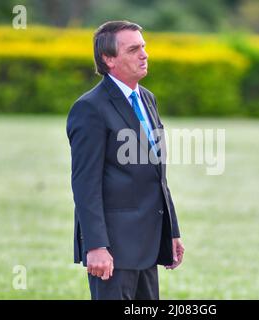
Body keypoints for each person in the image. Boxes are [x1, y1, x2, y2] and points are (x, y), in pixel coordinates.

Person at [66, 20, 184, 300]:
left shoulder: (147, 99)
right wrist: (95, 245)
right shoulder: (89, 108)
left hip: (149, 244)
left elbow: (157, 176)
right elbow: (85, 185)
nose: (144, 54)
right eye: (133, 49)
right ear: (108, 59)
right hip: (112, 250)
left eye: (143, 47)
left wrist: (172, 231)